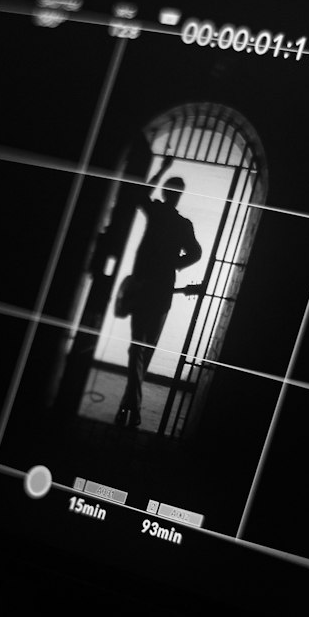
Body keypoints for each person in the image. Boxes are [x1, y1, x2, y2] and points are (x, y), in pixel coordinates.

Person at [116, 161, 202, 428]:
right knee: (145, 351)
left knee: (136, 350)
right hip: (163, 293)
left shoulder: (155, 212)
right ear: (179, 195)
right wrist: (173, 265)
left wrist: (161, 169)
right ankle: (133, 408)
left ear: (165, 192)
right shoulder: (182, 224)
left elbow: (139, 194)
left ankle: (129, 406)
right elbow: (196, 253)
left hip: (142, 288)